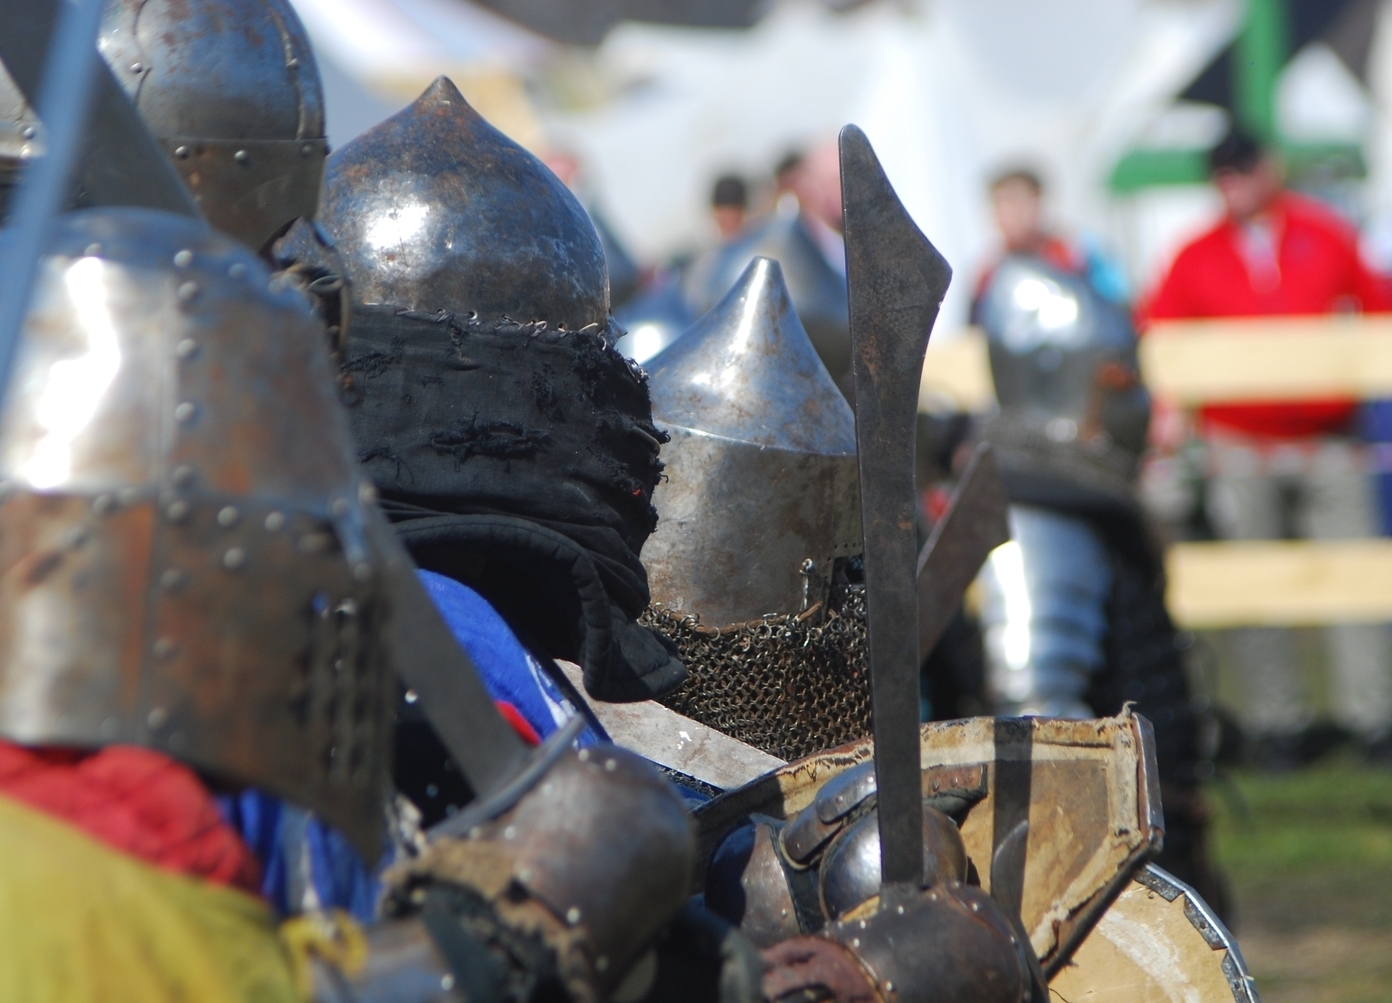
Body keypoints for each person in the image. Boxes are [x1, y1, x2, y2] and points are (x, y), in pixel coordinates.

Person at [1144, 127, 1392, 767]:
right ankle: (1275, 724)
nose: (1234, 183)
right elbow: (1160, 333)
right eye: (1222, 172)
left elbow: (1376, 305)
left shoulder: (1325, 232)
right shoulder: (1195, 253)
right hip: (1240, 441)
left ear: (1269, 169)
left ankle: (1374, 718)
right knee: (1251, 592)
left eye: (1243, 168)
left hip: (1328, 437)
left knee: (1357, 581)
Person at [975, 166, 1129, 310]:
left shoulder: (1074, 251)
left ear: (1037, 203)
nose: (1005, 213)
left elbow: (1117, 301)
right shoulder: (992, 269)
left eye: (1012, 202)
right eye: (998, 204)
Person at [710, 173, 748, 241]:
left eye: (733, 216)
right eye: (724, 216)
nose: (729, 222)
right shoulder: (708, 243)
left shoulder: (757, 245)